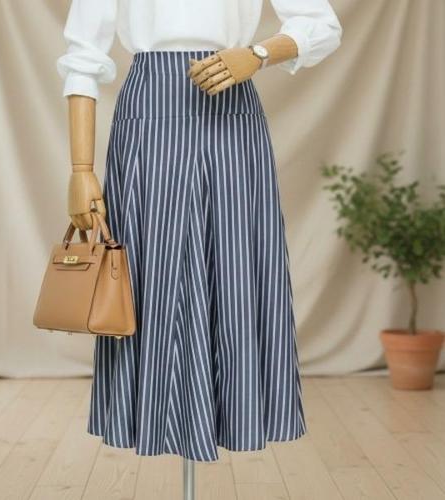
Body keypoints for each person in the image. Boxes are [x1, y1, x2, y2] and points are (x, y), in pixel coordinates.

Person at [56, 0, 342, 462]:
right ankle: (153, 417)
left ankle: (236, 412)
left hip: (231, 107)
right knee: (151, 274)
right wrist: (80, 169)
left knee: (233, 267)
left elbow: (322, 26)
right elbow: (82, 56)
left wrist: (259, 54)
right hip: (148, 117)